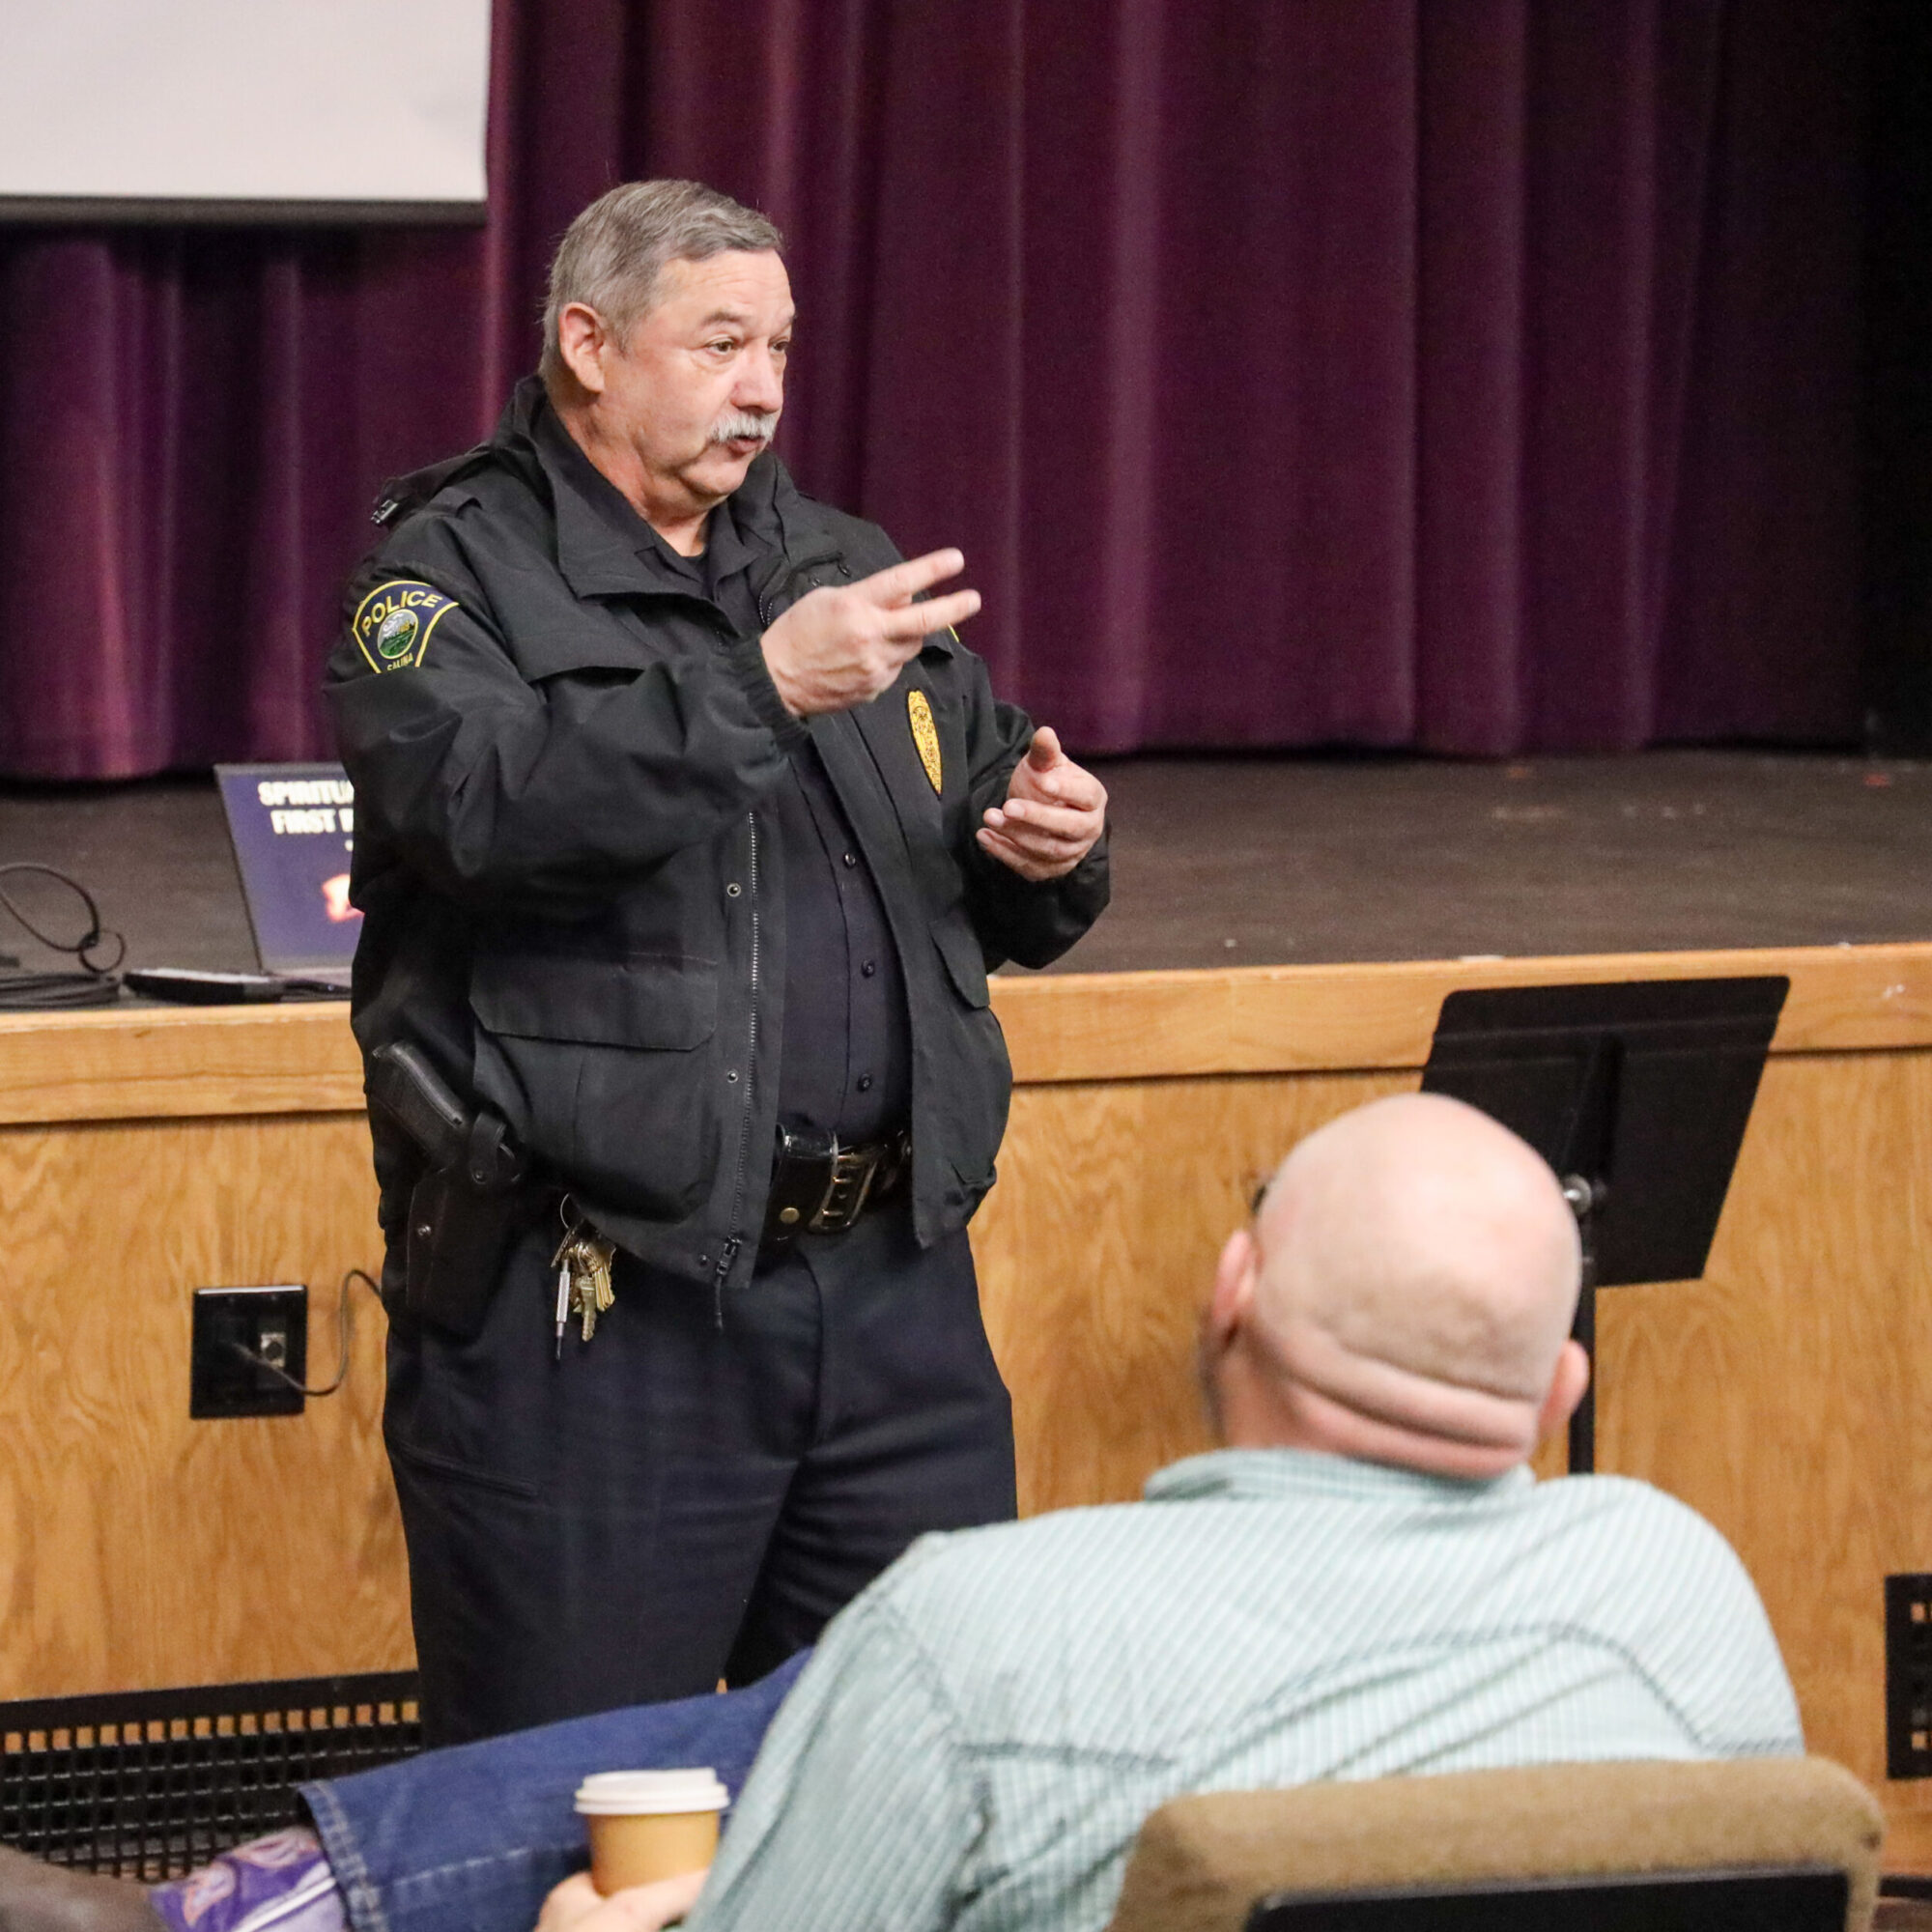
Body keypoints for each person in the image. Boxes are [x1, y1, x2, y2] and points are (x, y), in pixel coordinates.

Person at [0, 1094, 1802, 1932]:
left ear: (1230, 1298)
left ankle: (249, 1914)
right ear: (1559, 1392)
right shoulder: (1685, 1591)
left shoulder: (983, 1629)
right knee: (804, 1721)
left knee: (790, 1742)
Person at [324, 180, 1110, 1745]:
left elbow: (977, 809)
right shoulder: (444, 578)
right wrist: (762, 690)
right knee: (572, 1805)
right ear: (590, 345)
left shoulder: (836, 561)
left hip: (891, 1305)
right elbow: (482, 811)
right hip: (604, 1314)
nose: (762, 388)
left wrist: (1050, 844)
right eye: (721, 344)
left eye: (781, 349)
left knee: (926, 1773)